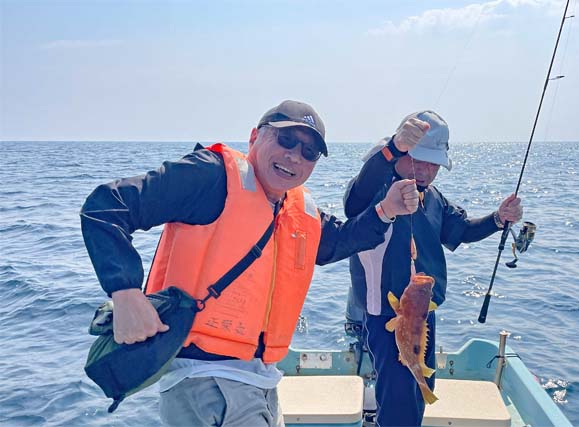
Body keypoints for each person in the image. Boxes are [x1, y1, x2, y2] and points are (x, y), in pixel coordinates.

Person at [80, 100, 420, 427]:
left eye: (308, 152)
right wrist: (125, 292)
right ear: (255, 137)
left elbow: (340, 241)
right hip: (204, 381)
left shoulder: (299, 211)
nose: (294, 156)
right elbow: (106, 207)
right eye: (285, 139)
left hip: (259, 379)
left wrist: (386, 210)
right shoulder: (210, 176)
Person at [344, 110, 523, 427]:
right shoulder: (376, 190)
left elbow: (462, 229)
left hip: (423, 311)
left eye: (433, 163)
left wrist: (498, 219)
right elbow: (354, 198)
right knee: (397, 398)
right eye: (418, 159)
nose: (426, 170)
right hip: (388, 315)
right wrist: (392, 148)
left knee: (422, 387)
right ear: (401, 151)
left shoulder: (433, 198)